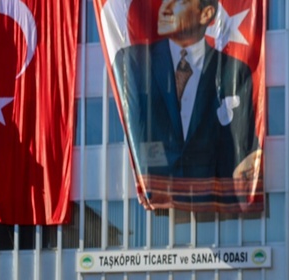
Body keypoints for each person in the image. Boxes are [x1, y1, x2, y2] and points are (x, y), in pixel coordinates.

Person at [111, 0, 260, 207]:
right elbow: (139, 130)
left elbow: (239, 145)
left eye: (178, 1)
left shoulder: (233, 71)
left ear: (205, 13)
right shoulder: (132, 62)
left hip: (214, 209)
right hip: (155, 208)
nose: (165, 8)